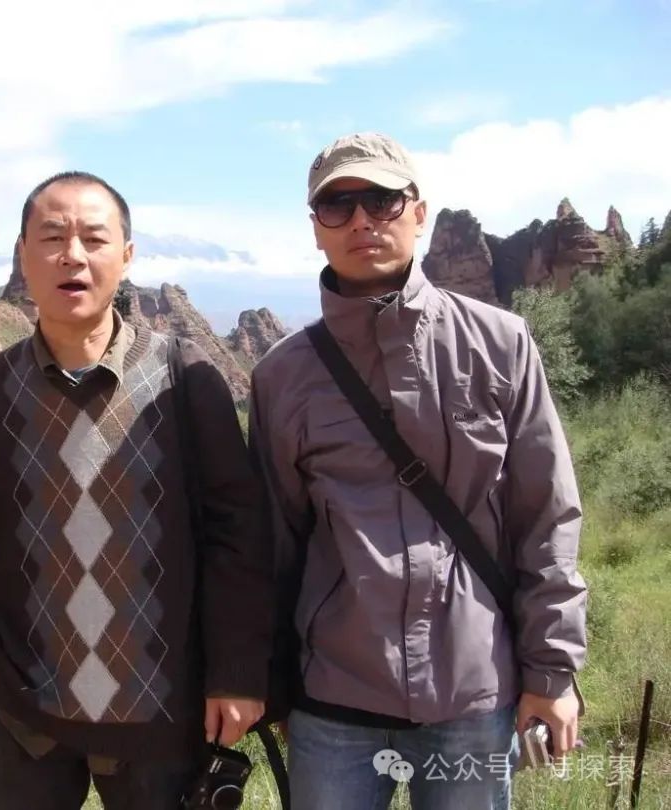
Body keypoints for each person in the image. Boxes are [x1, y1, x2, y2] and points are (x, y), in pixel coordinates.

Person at [249, 133, 587, 810]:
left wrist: (551, 672)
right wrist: (274, 684)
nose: (362, 220)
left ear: (420, 213)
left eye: (382, 200)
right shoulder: (282, 376)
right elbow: (273, 546)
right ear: (315, 228)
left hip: (474, 693)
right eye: (338, 206)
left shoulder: (500, 345)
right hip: (333, 701)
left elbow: (546, 517)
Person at [0, 171, 273, 810]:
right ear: (22, 256)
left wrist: (236, 672)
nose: (73, 255)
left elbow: (237, 534)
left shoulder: (186, 378)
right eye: (52, 238)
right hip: (23, 714)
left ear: (127, 255)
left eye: (93, 238)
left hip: (162, 711)